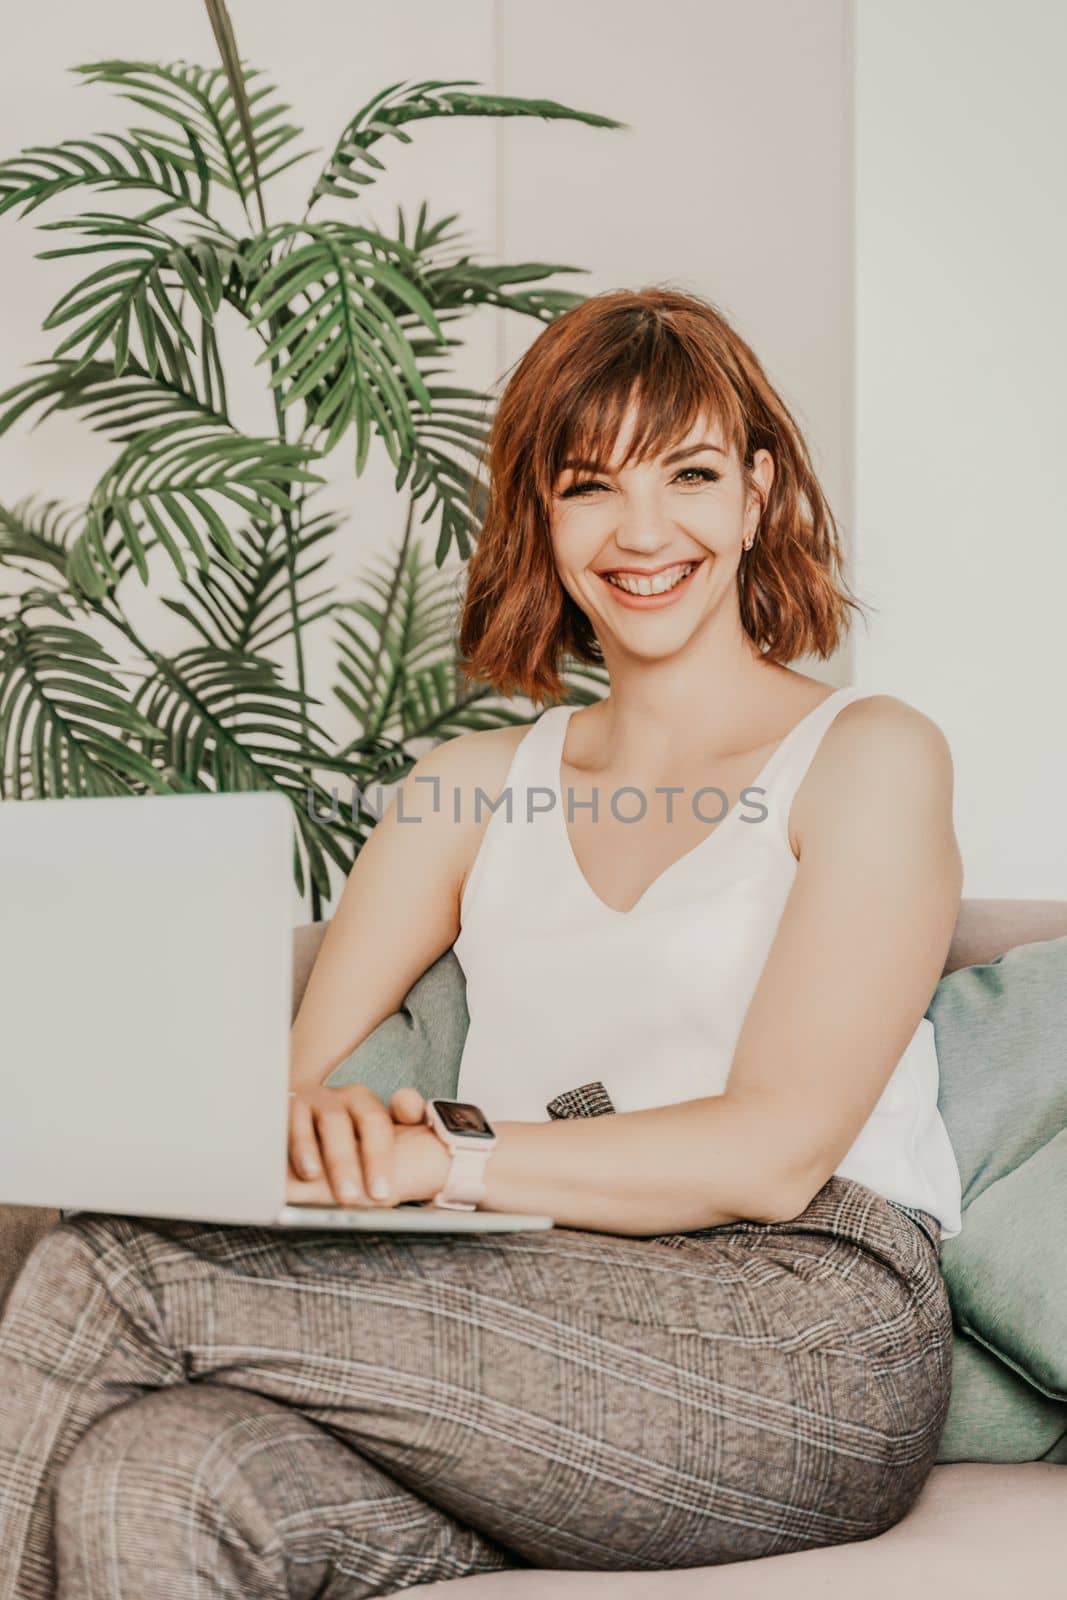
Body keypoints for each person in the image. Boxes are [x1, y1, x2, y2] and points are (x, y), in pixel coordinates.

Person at [0, 286, 964, 1598]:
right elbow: (296, 1100)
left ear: (758, 493)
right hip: (513, 1321)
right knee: (153, 1474)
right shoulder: (462, 788)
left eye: (686, 474)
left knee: (112, 1275)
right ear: (541, 518)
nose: (642, 530)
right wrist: (325, 1132)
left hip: (807, 1328)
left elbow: (773, 1150)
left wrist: (441, 1158)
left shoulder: (866, 757)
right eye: (588, 485)